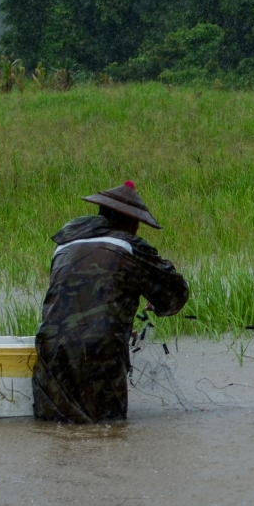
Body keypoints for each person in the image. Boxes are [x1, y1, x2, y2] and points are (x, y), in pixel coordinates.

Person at [31, 181, 189, 424]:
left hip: (50, 348)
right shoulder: (127, 245)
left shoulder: (64, 247)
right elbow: (175, 293)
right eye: (136, 224)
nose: (136, 230)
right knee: (107, 432)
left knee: (56, 431)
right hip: (99, 354)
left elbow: (72, 299)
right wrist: (154, 305)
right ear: (127, 222)